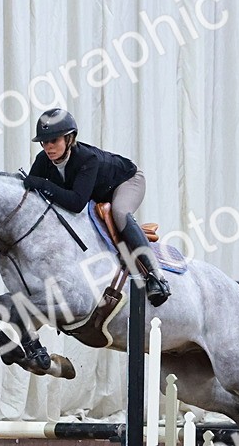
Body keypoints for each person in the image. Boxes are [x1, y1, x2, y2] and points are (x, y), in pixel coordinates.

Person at [21, 108, 170, 307]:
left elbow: (76, 203)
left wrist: (44, 184)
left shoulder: (86, 159)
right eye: (44, 142)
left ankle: (156, 275)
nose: (48, 147)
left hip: (126, 182)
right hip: (96, 191)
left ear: (69, 139)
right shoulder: (43, 160)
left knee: (119, 212)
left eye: (54, 140)